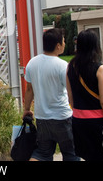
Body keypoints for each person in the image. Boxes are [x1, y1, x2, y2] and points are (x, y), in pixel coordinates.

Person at [23, 28, 80, 161]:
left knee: (42, 153)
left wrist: (26, 109)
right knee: (71, 154)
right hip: (62, 117)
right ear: (58, 45)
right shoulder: (63, 66)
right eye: (64, 41)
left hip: (42, 118)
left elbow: (29, 90)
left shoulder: (32, 63)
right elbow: (71, 93)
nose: (65, 44)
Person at [66, 29, 103, 161]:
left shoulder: (70, 66)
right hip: (99, 124)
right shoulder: (99, 68)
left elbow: (70, 97)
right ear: (95, 46)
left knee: (90, 157)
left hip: (79, 122)